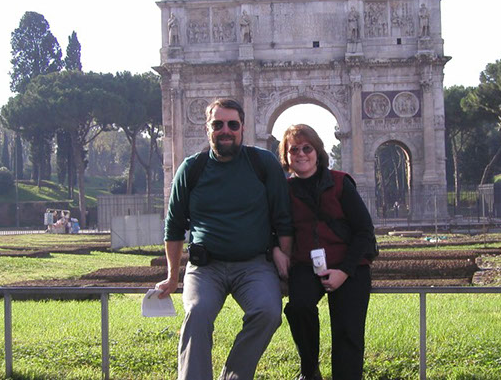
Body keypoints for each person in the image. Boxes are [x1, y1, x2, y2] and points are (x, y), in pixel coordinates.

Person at [156, 98, 293, 380]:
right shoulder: (190, 168)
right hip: (205, 267)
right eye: (218, 124)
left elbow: (283, 217)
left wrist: (284, 258)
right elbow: (174, 226)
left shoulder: (263, 163)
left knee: (268, 313)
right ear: (207, 129)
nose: (225, 130)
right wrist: (172, 275)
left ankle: (232, 377)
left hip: (254, 264)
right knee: (197, 313)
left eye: (232, 124)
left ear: (243, 128)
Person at [279, 124, 374, 380]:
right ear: (286, 156)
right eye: (293, 149)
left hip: (350, 265)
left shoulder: (341, 182)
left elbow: (364, 231)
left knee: (348, 333)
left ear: (317, 151)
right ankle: (310, 370)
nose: (301, 154)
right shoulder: (283, 190)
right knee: (298, 308)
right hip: (306, 265)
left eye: (307, 148)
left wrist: (344, 271)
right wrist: (275, 250)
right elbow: (273, 226)